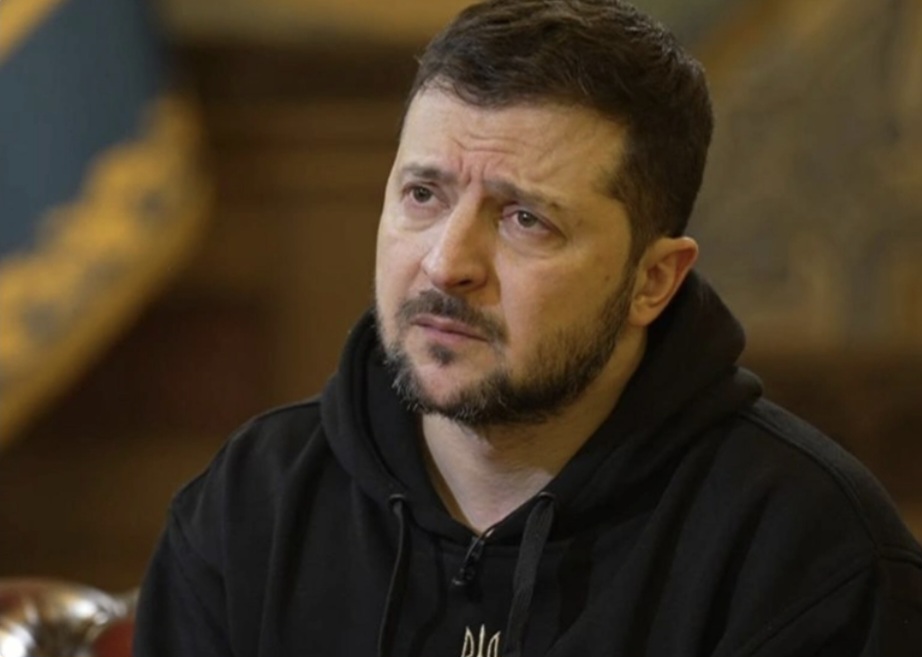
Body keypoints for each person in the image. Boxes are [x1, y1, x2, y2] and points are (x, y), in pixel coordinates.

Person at [134, 0, 922, 655]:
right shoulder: (253, 503)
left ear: (653, 281)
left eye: (525, 219)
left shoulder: (808, 553)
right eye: (423, 195)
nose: (447, 263)